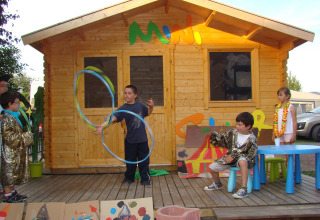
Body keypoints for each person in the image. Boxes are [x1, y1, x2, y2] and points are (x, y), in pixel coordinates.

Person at [94, 85, 154, 185]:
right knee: (130, 161)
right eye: (125, 93)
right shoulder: (122, 109)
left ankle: (145, 179)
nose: (126, 95)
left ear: (135, 95)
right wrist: (102, 126)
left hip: (142, 139)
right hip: (130, 140)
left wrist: (151, 106)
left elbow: (148, 112)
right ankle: (129, 178)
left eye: (129, 93)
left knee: (144, 162)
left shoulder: (140, 106)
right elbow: (112, 118)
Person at [204, 112, 257, 199]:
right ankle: (217, 184)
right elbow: (223, 138)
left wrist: (234, 155)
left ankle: (244, 189)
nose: (237, 127)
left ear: (248, 126)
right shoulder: (233, 132)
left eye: (240, 125)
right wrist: (214, 136)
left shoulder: (252, 139)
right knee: (212, 167)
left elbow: (249, 153)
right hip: (230, 159)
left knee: (242, 161)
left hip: (244, 160)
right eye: (237, 124)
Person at [0, 91, 34, 203]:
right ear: (9, 104)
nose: (19, 105)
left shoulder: (13, 117)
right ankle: (8, 195)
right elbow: (10, 138)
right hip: (8, 154)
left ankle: (12, 192)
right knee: (8, 174)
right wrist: (26, 137)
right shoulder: (6, 119)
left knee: (13, 173)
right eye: (17, 103)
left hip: (15, 153)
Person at [273, 87, 297, 162]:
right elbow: (275, 121)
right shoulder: (277, 108)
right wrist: (273, 133)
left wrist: (294, 134)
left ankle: (288, 169)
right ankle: (283, 169)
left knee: (288, 151)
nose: (279, 97)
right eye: (278, 95)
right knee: (282, 151)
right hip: (279, 132)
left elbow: (294, 122)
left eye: (281, 95)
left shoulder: (291, 108)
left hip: (288, 131)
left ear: (287, 96)